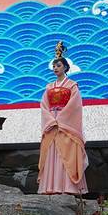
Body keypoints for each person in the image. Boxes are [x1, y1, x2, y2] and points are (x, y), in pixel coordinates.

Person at [37, 45, 88, 195]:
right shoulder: (49, 87)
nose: (55, 68)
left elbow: (75, 105)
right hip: (52, 123)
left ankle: (68, 187)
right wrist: (50, 120)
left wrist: (60, 119)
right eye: (54, 66)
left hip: (65, 124)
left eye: (58, 65)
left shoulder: (72, 86)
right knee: (51, 153)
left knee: (66, 153)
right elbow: (44, 105)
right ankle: (51, 186)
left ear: (65, 67)